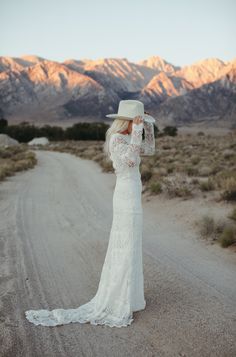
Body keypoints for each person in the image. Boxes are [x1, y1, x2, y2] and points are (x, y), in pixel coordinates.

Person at [25, 100, 156, 328]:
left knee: (133, 243)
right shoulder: (117, 139)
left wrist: (148, 127)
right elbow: (132, 160)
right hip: (125, 195)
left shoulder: (130, 136)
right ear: (125, 121)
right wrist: (136, 130)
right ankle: (117, 297)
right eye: (136, 121)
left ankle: (130, 296)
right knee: (124, 243)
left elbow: (150, 150)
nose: (138, 124)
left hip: (134, 194)